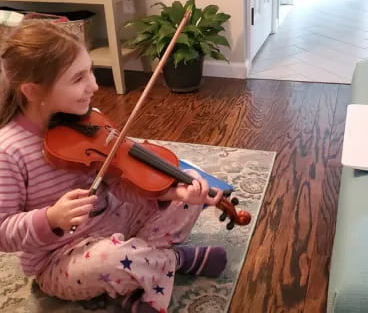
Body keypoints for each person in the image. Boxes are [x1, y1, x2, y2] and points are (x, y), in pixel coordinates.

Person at [0, 20, 227, 313]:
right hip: (62, 258)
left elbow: (119, 181)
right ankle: (177, 260)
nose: (94, 86)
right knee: (111, 259)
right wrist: (51, 218)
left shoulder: (85, 121)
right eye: (78, 79)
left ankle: (142, 268)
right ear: (32, 91)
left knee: (188, 180)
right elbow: (3, 231)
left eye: (90, 71)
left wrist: (168, 195)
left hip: (117, 222)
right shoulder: (9, 152)